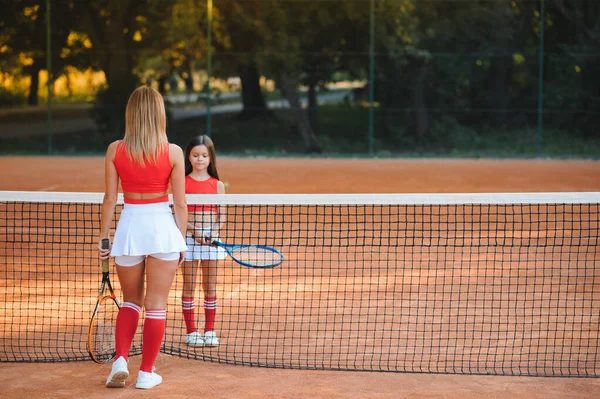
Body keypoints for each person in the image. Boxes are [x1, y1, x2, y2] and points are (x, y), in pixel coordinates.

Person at [98, 86, 187, 390]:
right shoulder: (174, 152)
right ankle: (147, 372)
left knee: (131, 301)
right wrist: (182, 240)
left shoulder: (115, 149)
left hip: (129, 228)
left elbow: (110, 198)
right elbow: (180, 204)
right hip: (162, 229)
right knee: (157, 303)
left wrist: (104, 238)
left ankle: (120, 360)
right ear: (160, 114)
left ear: (130, 113)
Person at [180, 135, 226, 347]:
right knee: (189, 285)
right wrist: (194, 231)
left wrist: (212, 233)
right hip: (189, 239)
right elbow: (177, 213)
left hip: (212, 240)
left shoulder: (217, 185)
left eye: (204, 155)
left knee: (210, 286)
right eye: (195, 155)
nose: (200, 159)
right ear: (188, 157)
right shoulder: (182, 183)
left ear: (210, 158)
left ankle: (209, 331)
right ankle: (191, 332)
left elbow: (222, 216)